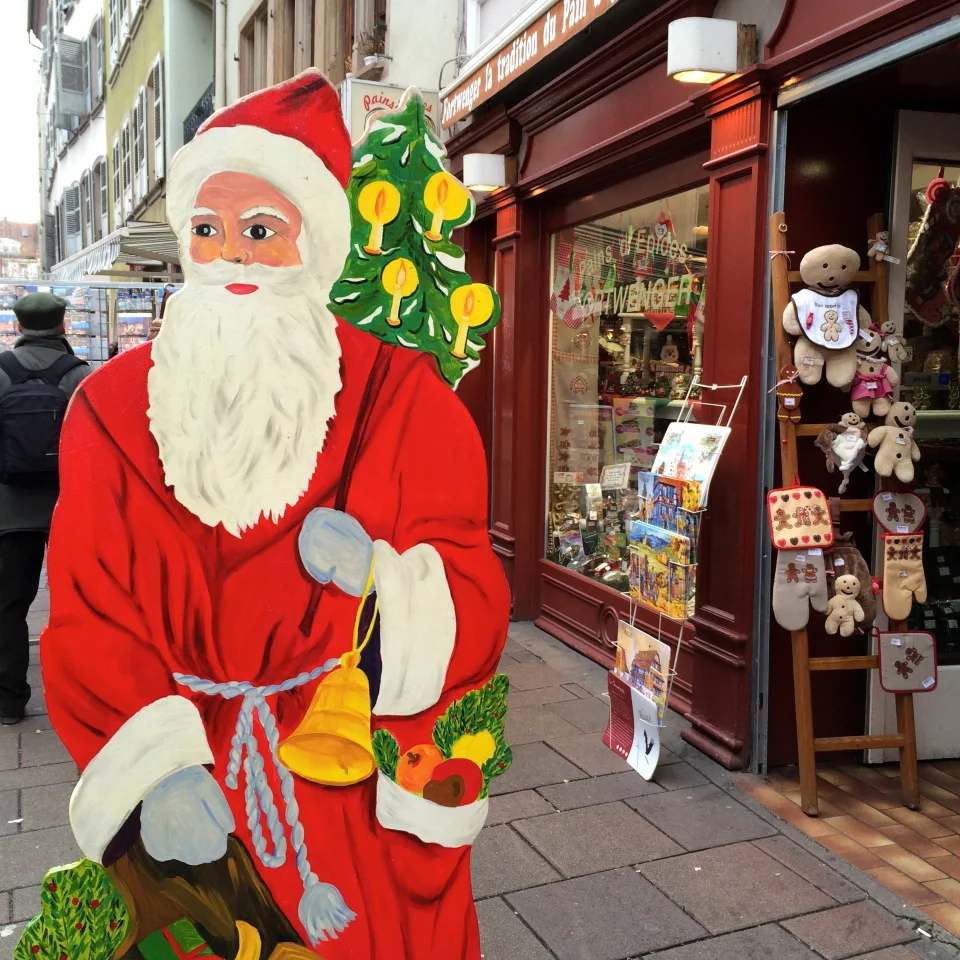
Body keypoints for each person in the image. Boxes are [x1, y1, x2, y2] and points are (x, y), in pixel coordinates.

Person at [40, 71, 509, 959]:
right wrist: (155, 770)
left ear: (313, 246)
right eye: (209, 234)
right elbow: (87, 614)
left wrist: (386, 583)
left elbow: (474, 591)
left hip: (352, 787)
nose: (234, 259)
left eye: (262, 231)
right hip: (192, 793)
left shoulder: (401, 397)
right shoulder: (106, 411)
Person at [0, 293, 89, 724]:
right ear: (62, 325)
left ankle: (9, 701)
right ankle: (83, 698)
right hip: (70, 508)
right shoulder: (79, 376)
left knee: (9, 606)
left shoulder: (0, 373)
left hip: (9, 510)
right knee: (79, 604)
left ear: (18, 325)